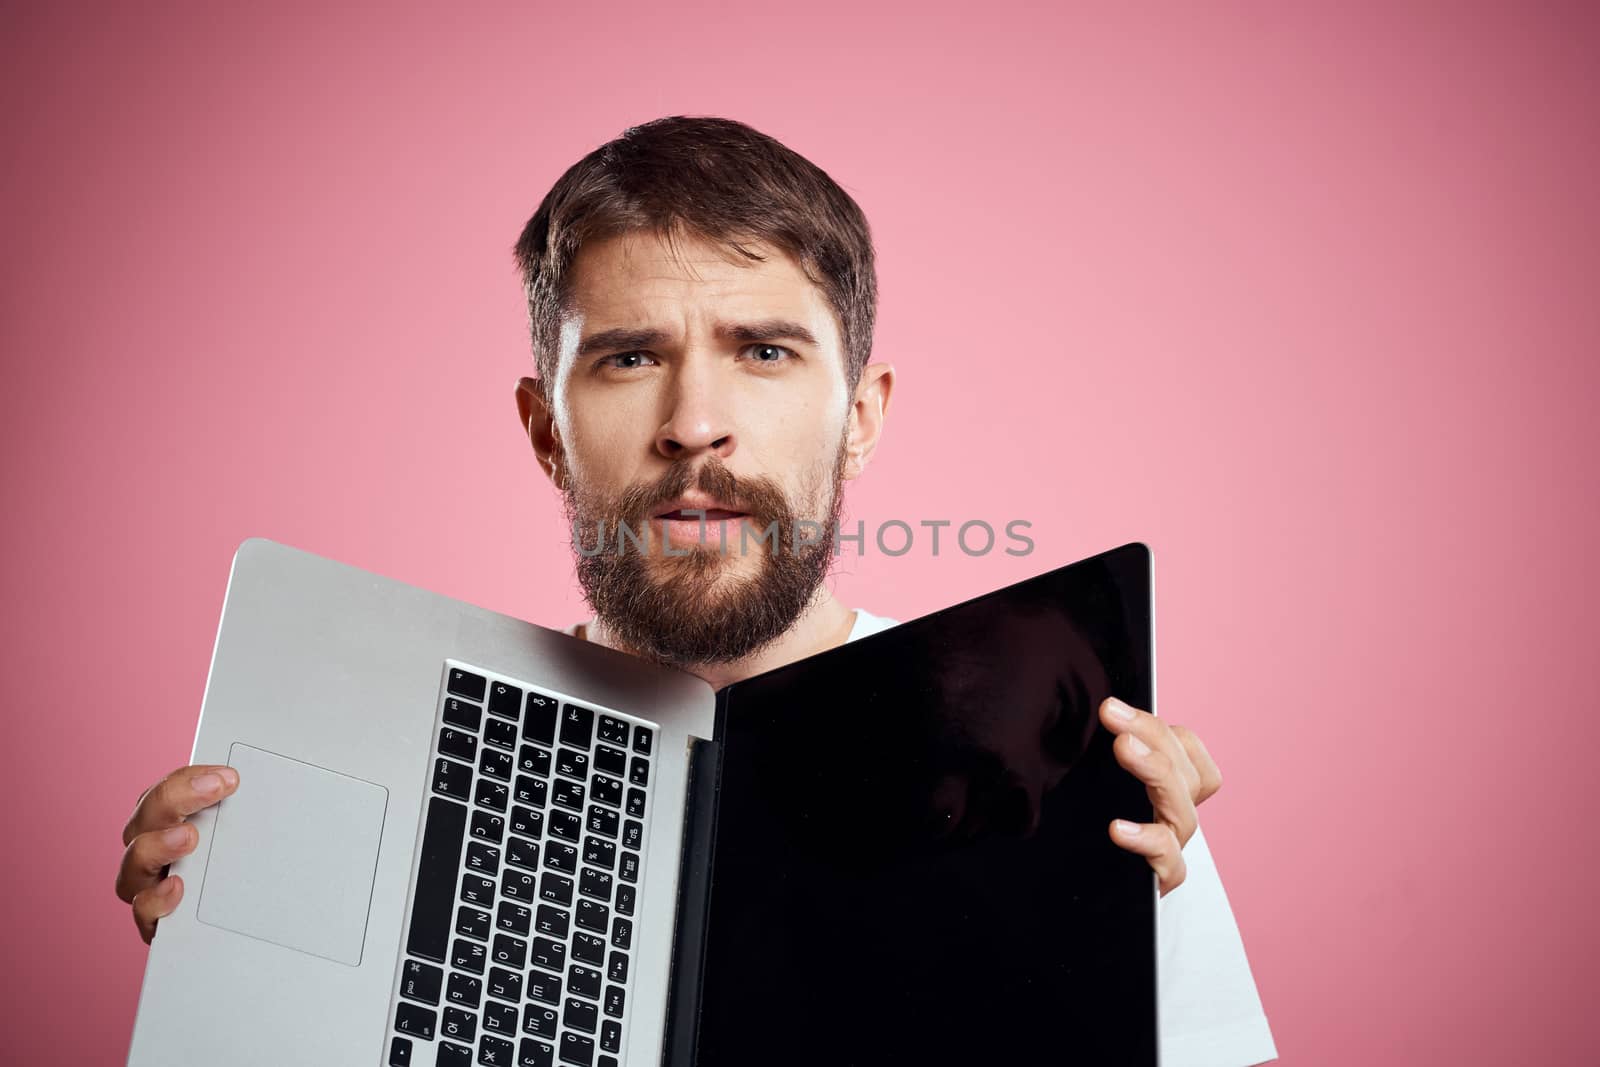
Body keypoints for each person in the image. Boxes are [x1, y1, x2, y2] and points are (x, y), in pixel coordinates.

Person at [116, 115, 1277, 1065]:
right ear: (545, 430)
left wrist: (1100, 947)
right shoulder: (392, 752)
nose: (693, 425)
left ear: (861, 417)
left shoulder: (1087, 782)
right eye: (629, 356)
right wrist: (223, 989)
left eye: (763, 350)